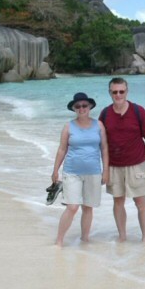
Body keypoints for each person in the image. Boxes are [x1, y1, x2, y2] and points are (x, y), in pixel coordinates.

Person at [99, 77, 145, 242]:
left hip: (136, 165)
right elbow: (101, 144)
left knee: (140, 202)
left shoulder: (139, 111)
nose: (118, 95)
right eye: (114, 92)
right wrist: (104, 169)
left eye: (121, 91)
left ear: (127, 91)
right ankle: (122, 237)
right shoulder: (105, 114)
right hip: (114, 167)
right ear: (110, 93)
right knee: (118, 202)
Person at [52, 92, 109, 246]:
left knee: (88, 207)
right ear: (74, 109)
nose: (82, 108)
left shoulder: (99, 125)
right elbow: (62, 149)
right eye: (78, 106)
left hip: (94, 172)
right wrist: (55, 170)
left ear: (89, 106)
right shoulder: (68, 126)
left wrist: (106, 170)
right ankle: (59, 241)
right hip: (72, 172)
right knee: (72, 207)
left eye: (84, 105)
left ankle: (85, 238)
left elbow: (104, 148)